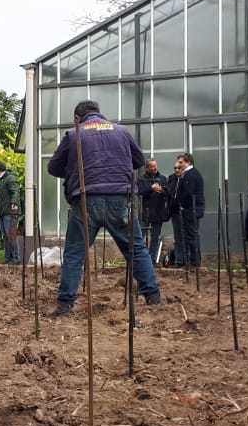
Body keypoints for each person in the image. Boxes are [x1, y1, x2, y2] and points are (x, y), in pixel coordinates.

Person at [47, 100, 162, 316]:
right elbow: (139, 161)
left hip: (85, 200)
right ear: (99, 113)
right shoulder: (122, 131)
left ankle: (64, 306)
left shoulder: (74, 134)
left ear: (77, 118)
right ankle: (153, 296)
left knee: (74, 253)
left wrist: (77, 170)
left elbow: (53, 167)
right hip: (120, 199)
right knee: (136, 249)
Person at [174, 154, 206, 266]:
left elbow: (188, 193)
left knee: (192, 236)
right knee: (191, 235)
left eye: (181, 162)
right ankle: (194, 261)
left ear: (188, 162)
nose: (178, 165)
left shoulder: (190, 175)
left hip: (191, 209)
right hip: (192, 209)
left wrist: (182, 204)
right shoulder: (189, 174)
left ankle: (194, 262)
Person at [138, 159, 172, 264]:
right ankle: (140, 259)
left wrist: (161, 190)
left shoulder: (162, 178)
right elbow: (140, 192)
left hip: (158, 212)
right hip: (146, 212)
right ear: (147, 168)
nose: (154, 168)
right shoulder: (142, 179)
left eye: (155, 166)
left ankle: (152, 260)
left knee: (155, 237)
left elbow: (168, 192)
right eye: (152, 166)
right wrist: (151, 188)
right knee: (141, 236)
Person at [0, 159, 21, 264]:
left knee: (11, 235)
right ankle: (8, 259)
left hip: (10, 212)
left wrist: (14, 204)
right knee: (6, 236)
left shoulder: (10, 178)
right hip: (2, 213)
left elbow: (15, 192)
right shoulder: (1, 180)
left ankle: (16, 259)